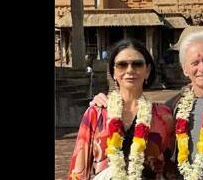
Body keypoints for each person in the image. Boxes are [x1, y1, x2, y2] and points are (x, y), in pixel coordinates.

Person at [91, 31, 203, 179]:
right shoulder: (171, 108)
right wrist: (101, 101)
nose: (202, 68)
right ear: (185, 69)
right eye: (195, 63)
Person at [67, 38, 175, 180]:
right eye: (122, 65)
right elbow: (78, 171)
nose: (130, 70)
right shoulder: (96, 114)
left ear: (147, 71)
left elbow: (170, 167)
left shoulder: (163, 116)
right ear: (114, 72)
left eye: (137, 64)